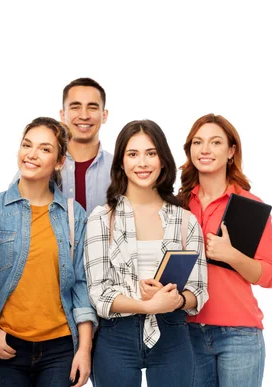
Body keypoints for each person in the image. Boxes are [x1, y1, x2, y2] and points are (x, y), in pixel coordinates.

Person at [84, 119, 209, 387]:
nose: (142, 163)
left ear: (163, 160)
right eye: (133, 154)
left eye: (151, 153)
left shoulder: (185, 221)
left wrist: (173, 300)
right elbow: (98, 292)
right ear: (120, 162)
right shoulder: (102, 218)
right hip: (116, 336)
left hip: (172, 332)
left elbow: (199, 290)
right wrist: (145, 305)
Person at [0, 117, 97, 387]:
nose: (32, 155)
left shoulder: (73, 216)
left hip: (59, 350)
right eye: (26, 145)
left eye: (45, 149)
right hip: (4, 346)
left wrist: (84, 349)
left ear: (59, 161)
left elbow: (81, 286)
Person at [177, 113, 272, 387]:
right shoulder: (177, 205)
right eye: (198, 142)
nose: (205, 150)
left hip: (239, 335)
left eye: (215, 142)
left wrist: (231, 255)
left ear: (231, 151)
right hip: (187, 332)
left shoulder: (249, 206)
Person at [59, 77, 112, 213]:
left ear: (104, 115)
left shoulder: (119, 168)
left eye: (92, 107)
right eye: (75, 107)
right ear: (63, 115)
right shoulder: (42, 166)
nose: (84, 115)